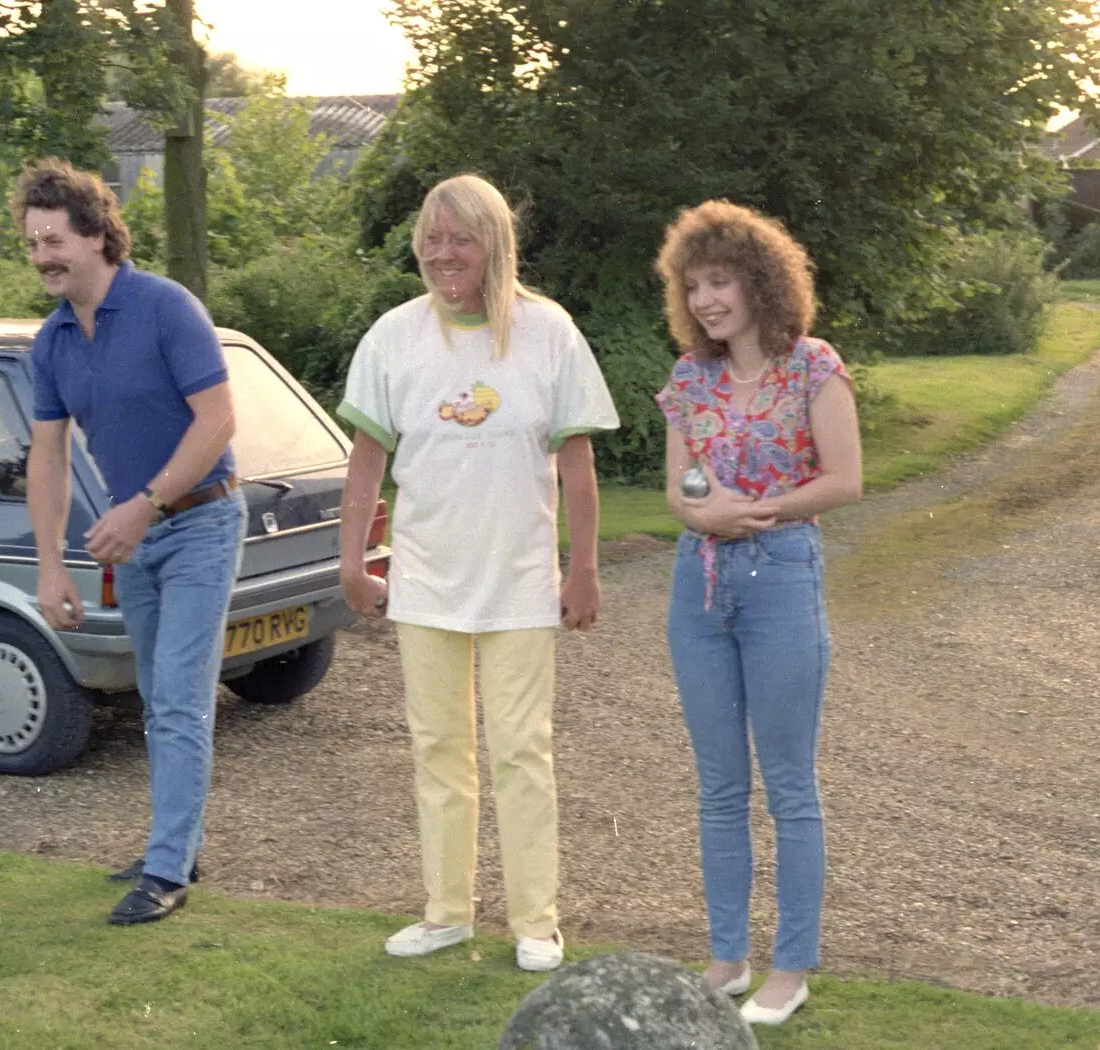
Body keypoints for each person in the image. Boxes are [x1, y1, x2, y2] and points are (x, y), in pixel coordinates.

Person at [336, 174, 619, 973]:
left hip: (521, 582)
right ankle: (447, 913)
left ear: (496, 244)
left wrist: (584, 569)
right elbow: (366, 465)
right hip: (424, 581)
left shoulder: (548, 331)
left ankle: (535, 922)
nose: (442, 252)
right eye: (431, 238)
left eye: (460, 237)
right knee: (438, 749)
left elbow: (578, 464)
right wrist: (353, 562)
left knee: (522, 751)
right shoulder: (393, 337)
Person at [17, 158, 247, 926]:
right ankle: (175, 844)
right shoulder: (51, 342)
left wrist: (145, 505)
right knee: (158, 698)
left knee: (179, 700)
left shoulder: (164, 308)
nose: (43, 256)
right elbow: (46, 456)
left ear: (96, 235)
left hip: (203, 522)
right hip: (135, 539)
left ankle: (166, 870)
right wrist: (51, 568)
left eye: (54, 240)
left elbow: (217, 421)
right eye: (32, 244)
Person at [653, 200, 862, 1025]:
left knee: (789, 786)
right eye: (693, 285)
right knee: (716, 786)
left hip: (779, 578)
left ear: (760, 281)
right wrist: (701, 514)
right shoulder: (688, 380)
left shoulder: (813, 367)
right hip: (697, 587)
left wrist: (759, 513)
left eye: (720, 280)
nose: (706, 299)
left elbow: (846, 480)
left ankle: (791, 967)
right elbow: (677, 491)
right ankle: (728, 958)